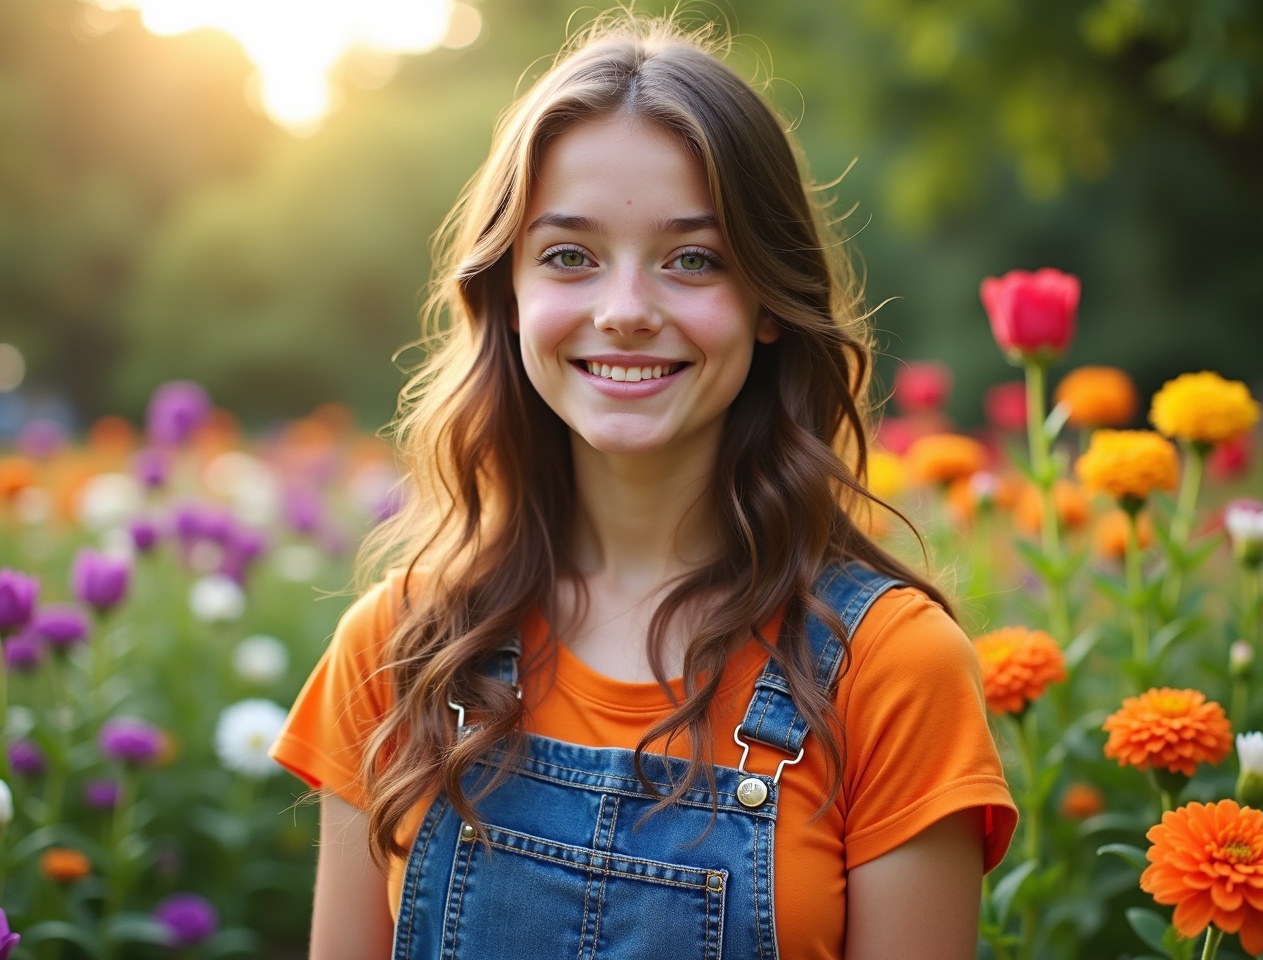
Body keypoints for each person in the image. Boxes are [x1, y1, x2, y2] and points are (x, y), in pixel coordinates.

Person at [271, 14, 1017, 959]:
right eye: (570, 255)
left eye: (693, 259)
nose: (625, 311)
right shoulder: (399, 649)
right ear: (507, 294)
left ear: (768, 303)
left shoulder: (893, 669)